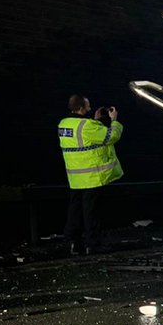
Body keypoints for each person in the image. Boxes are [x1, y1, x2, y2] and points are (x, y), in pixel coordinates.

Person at [58, 94, 124, 254]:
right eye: (87, 106)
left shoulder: (63, 124)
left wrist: (95, 120)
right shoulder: (87, 126)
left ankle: (73, 243)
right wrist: (114, 120)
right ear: (81, 108)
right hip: (91, 176)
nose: (89, 108)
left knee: (75, 211)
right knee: (91, 213)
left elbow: (85, 139)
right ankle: (92, 245)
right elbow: (111, 136)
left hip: (75, 176)